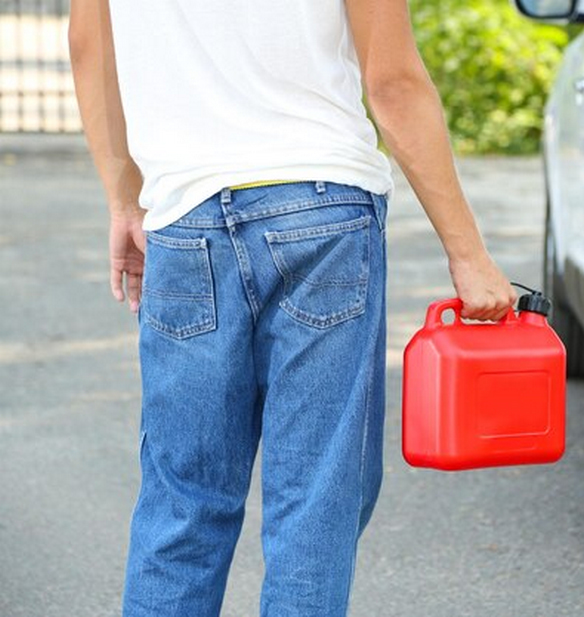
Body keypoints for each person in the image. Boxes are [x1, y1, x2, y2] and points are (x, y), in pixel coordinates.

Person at [68, 0, 517, 615]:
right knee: (314, 503)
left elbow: (89, 45)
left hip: (184, 220)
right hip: (322, 214)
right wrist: (468, 254)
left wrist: (124, 199)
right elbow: (392, 83)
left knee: (182, 506)